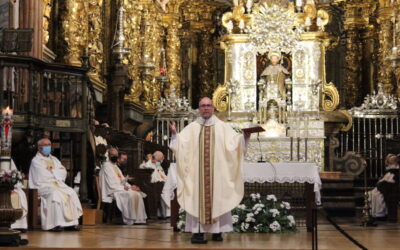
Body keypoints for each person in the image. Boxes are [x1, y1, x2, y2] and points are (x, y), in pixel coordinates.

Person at [169, 97, 250, 244]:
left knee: (218, 198)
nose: (206, 108)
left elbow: (235, 143)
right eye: (203, 106)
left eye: (208, 105)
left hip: (217, 174)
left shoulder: (223, 127)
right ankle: (197, 233)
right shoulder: (192, 127)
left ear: (213, 108)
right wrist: (175, 134)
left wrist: (244, 137)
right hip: (197, 175)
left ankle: (217, 232)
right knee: (196, 199)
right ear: (199, 109)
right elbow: (180, 144)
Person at [28, 138, 82, 232]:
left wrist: (52, 171)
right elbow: (42, 175)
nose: (48, 147)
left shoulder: (54, 159)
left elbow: (63, 171)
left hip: (58, 184)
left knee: (71, 193)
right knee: (55, 194)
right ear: (39, 147)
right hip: (43, 185)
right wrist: (55, 172)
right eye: (45, 145)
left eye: (49, 144)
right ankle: (54, 224)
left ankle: (70, 224)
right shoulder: (36, 161)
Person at [99, 148, 147, 225]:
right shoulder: (106, 166)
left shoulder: (115, 167)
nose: (115, 156)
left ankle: (139, 219)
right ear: (108, 155)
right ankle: (130, 219)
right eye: (113, 155)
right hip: (112, 191)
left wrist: (131, 187)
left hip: (120, 189)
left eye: (116, 155)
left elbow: (122, 180)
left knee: (137, 193)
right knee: (131, 195)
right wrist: (123, 188)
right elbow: (111, 184)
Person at [369, 154, 400, 221]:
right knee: (372, 193)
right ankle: (375, 214)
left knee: (377, 195)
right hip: (386, 186)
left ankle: (380, 214)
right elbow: (385, 178)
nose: (392, 161)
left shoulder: (396, 169)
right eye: (390, 160)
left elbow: (393, 180)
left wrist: (381, 184)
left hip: (392, 187)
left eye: (393, 160)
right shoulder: (389, 168)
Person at [10, 160, 28, 232]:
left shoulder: (8, 159)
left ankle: (20, 225)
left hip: (11, 186)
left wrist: (13, 186)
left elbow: (14, 174)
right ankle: (10, 225)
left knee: (20, 193)